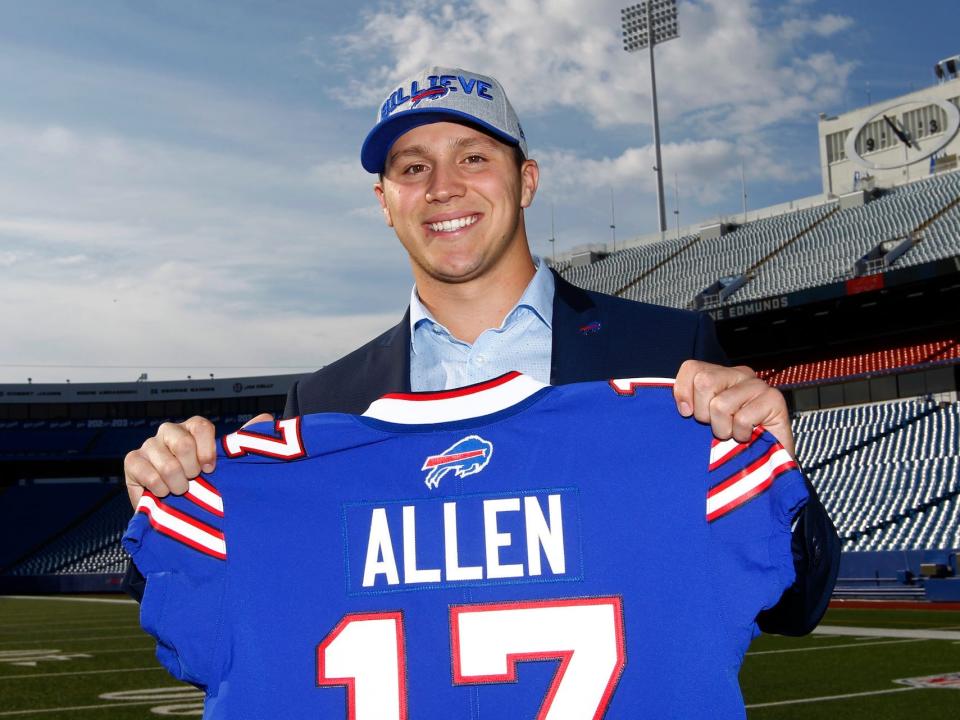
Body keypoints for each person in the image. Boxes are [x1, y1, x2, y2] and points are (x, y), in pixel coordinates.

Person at [123, 65, 839, 635]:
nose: (442, 188)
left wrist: (779, 477)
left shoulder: (665, 354)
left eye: (472, 156)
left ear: (526, 181)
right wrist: (171, 500)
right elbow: (248, 604)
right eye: (412, 168)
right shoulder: (323, 404)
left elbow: (791, 606)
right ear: (384, 201)